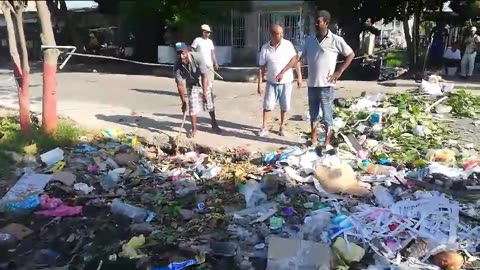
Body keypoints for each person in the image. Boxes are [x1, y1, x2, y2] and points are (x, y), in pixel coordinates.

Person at [275, 10, 355, 149]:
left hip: (326, 85)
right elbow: (297, 57)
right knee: (313, 115)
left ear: (326, 23)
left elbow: (350, 54)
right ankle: (314, 141)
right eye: (315, 22)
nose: (316, 25)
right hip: (312, 85)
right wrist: (283, 71)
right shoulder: (310, 40)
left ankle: (327, 144)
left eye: (319, 22)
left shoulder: (336, 40)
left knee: (327, 116)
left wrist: (339, 71)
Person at [257, 24, 303, 137]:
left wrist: (299, 76)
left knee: (285, 106)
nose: (282, 35)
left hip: (286, 82)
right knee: (267, 106)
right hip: (271, 83)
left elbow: (295, 60)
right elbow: (261, 67)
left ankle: (282, 127)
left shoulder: (288, 45)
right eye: (279, 34)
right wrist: (259, 84)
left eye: (282, 33)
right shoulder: (265, 48)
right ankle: (264, 127)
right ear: (272, 35)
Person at [173, 42, 222, 138]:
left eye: (183, 53)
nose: (181, 56)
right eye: (179, 54)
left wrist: (204, 92)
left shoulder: (198, 57)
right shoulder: (177, 65)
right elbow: (180, 84)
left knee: (209, 103)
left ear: (187, 51)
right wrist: (183, 102)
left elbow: (204, 75)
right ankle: (194, 128)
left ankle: (214, 123)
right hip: (191, 83)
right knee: (192, 106)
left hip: (201, 80)